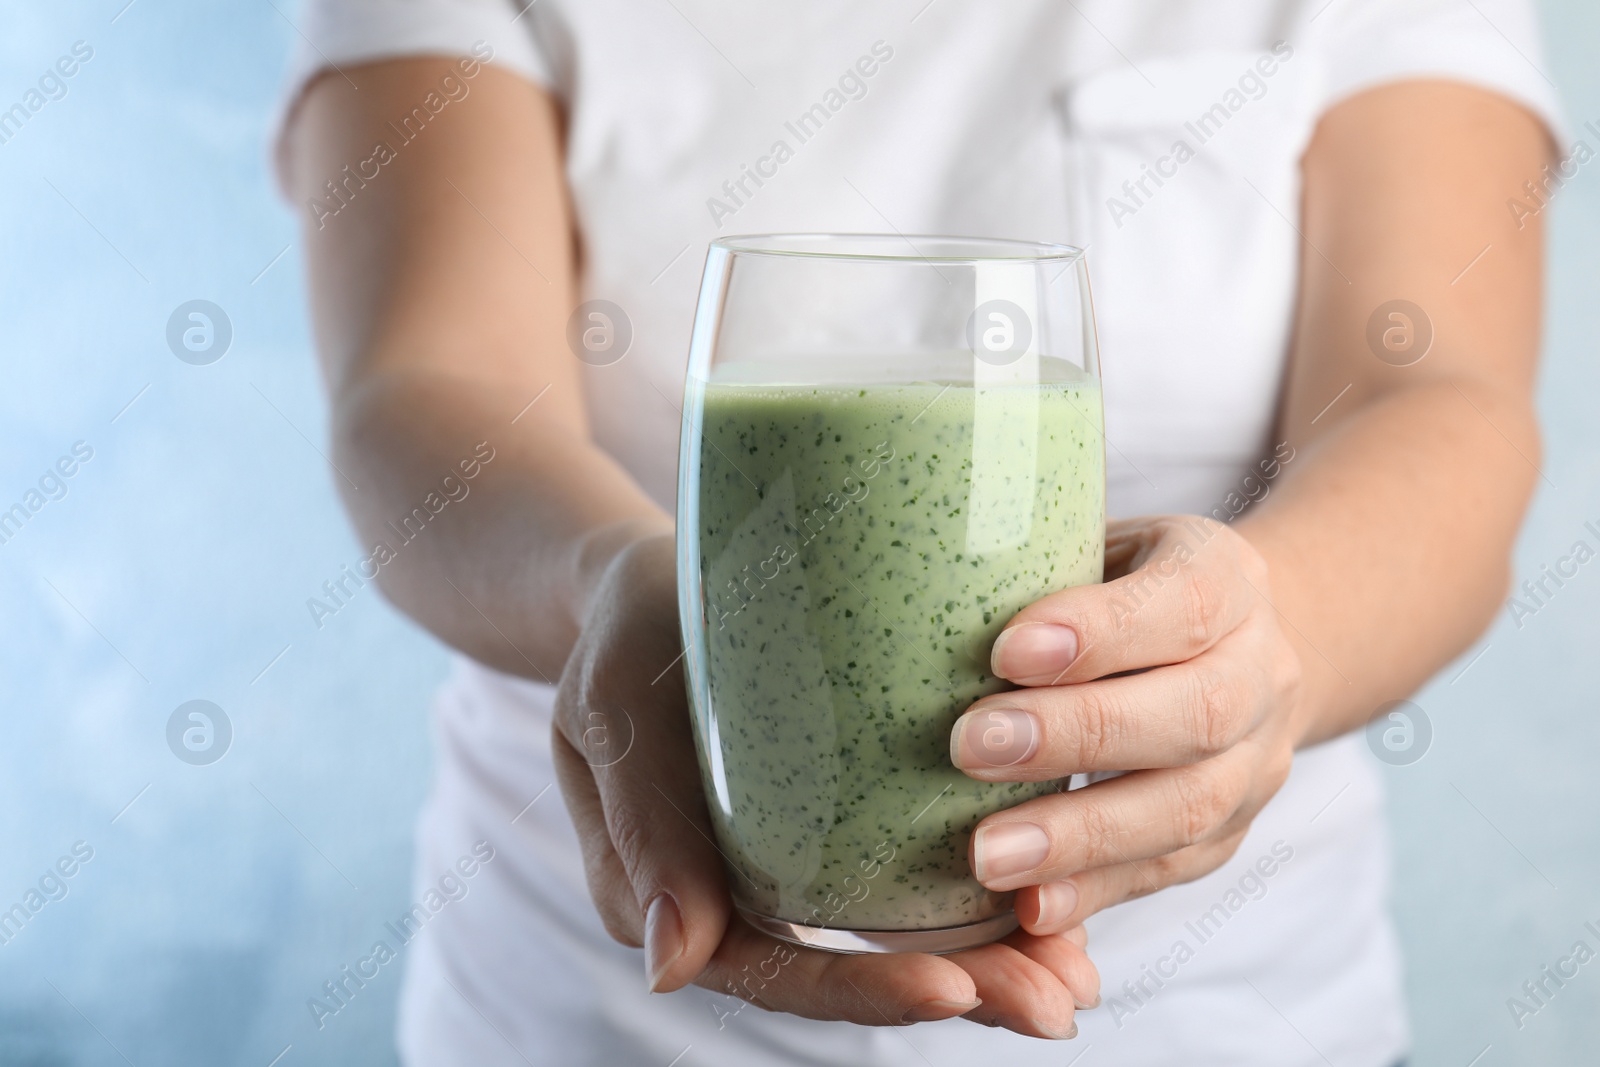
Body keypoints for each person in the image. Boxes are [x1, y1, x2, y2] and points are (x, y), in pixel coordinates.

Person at [276, 1, 1562, 1062]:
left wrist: (1271, 644)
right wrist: (609, 576)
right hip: (598, 1008)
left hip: (1225, 1011)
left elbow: (1435, 396)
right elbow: (430, 387)